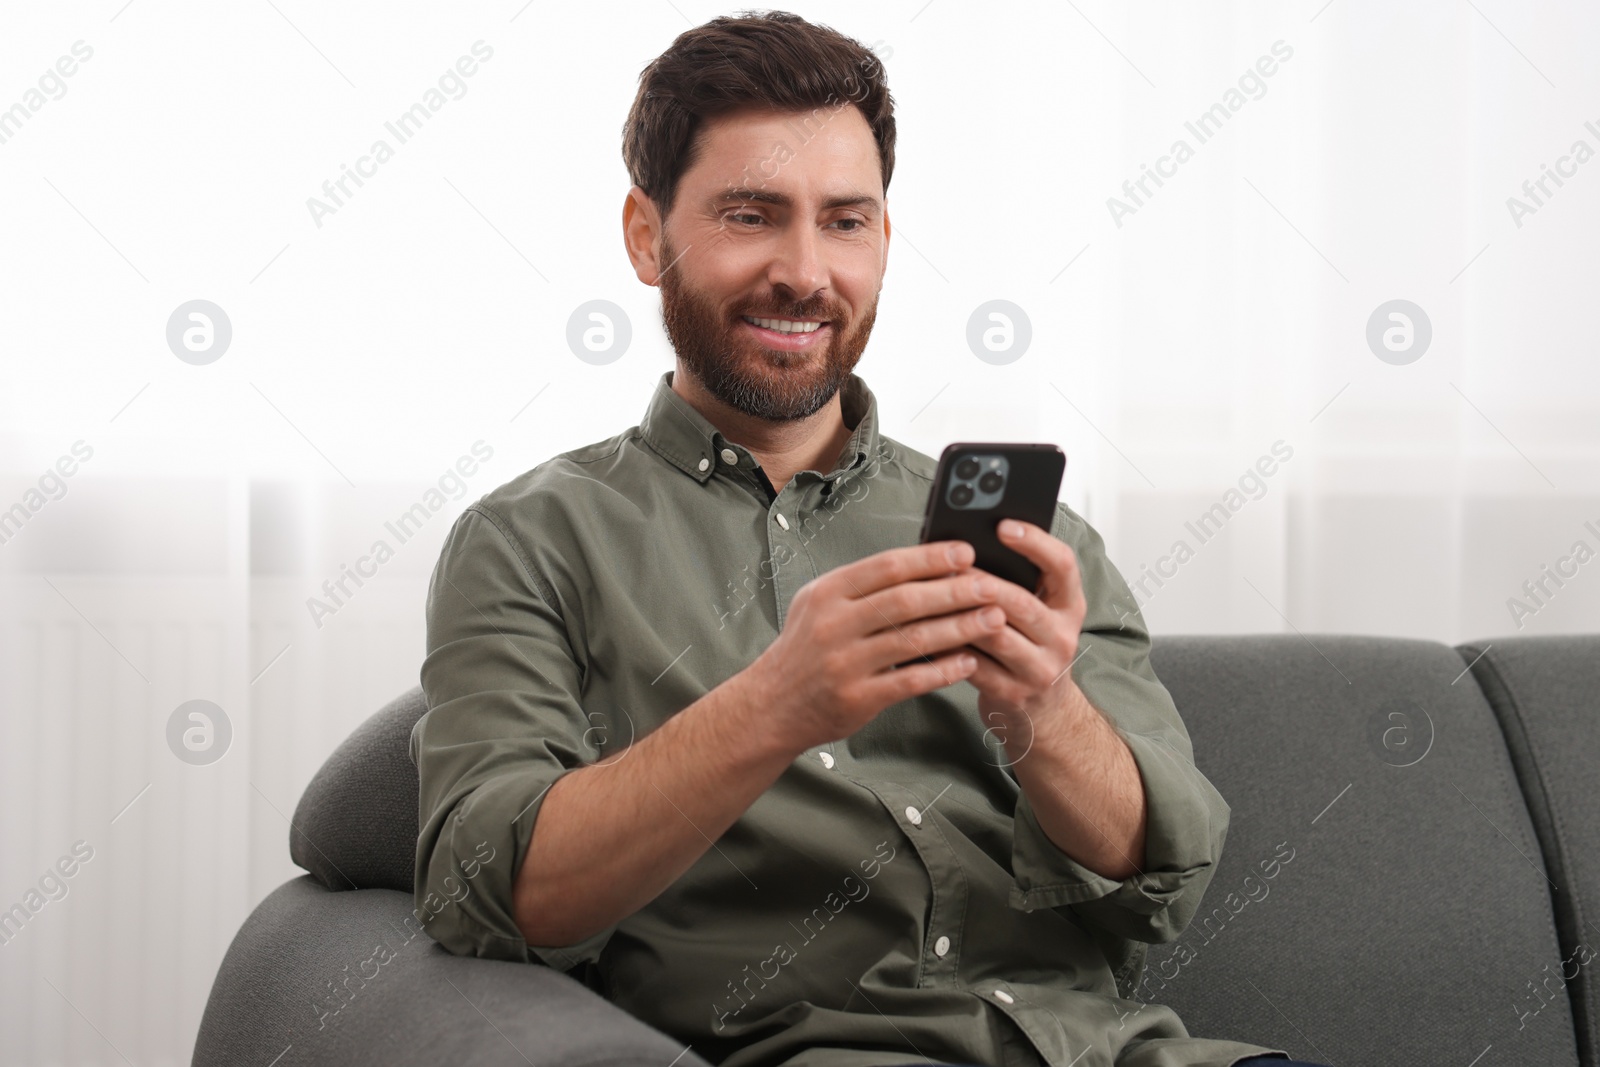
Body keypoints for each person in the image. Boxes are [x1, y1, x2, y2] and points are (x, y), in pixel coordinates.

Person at [411, 11, 1326, 1067]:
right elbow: (485, 895)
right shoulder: (530, 541)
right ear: (646, 234)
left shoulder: (1034, 532)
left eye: (845, 221)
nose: (805, 271)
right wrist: (776, 702)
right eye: (752, 215)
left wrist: (1037, 706)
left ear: (884, 237)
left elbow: (1157, 880)